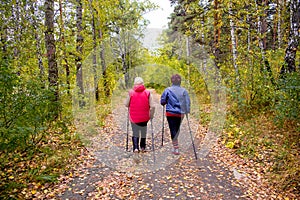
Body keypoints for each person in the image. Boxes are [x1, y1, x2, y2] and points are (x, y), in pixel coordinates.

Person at [160, 74, 190, 155]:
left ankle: (175, 147)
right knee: (177, 128)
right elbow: (187, 102)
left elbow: (163, 101)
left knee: (172, 129)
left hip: (170, 113)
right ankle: (175, 144)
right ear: (180, 81)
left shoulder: (167, 90)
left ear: (171, 81)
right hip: (180, 113)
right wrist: (187, 111)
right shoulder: (184, 91)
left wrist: (164, 103)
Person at [125, 77, 155, 153]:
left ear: (134, 84)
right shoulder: (147, 93)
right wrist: (151, 115)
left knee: (135, 131)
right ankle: (143, 147)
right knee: (143, 131)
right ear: (143, 84)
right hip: (145, 117)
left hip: (134, 117)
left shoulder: (131, 92)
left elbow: (126, 104)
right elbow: (152, 106)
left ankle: (135, 148)